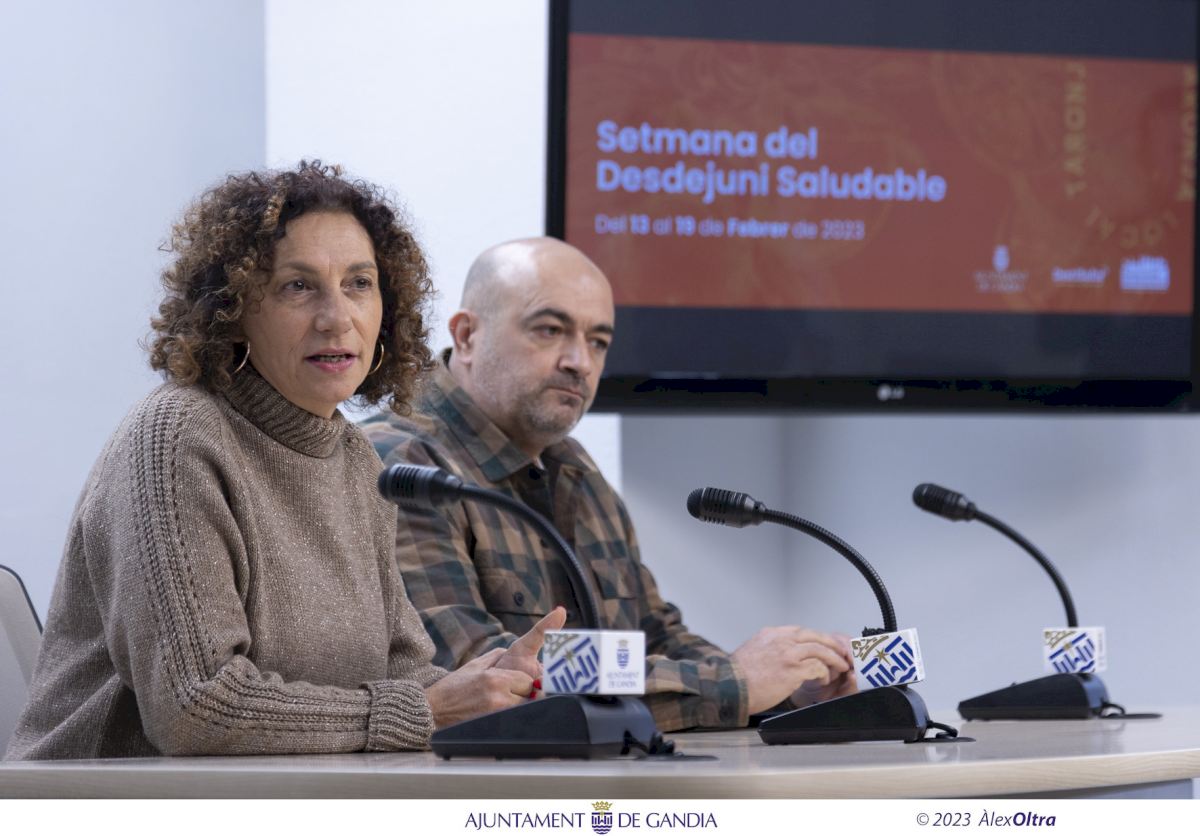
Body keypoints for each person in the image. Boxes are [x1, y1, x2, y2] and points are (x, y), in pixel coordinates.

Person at [5, 164, 563, 761]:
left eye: (359, 283)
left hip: (278, 795)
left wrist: (487, 687)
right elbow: (196, 709)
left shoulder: (354, 458)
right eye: (298, 286)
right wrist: (427, 709)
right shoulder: (176, 438)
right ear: (233, 309)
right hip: (107, 798)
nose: (337, 317)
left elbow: (401, 678)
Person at [363, 237, 856, 732]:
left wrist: (786, 689)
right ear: (468, 336)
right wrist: (734, 684)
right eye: (550, 330)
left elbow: (656, 636)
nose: (580, 361)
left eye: (598, 342)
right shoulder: (404, 467)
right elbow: (487, 678)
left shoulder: (573, 465)